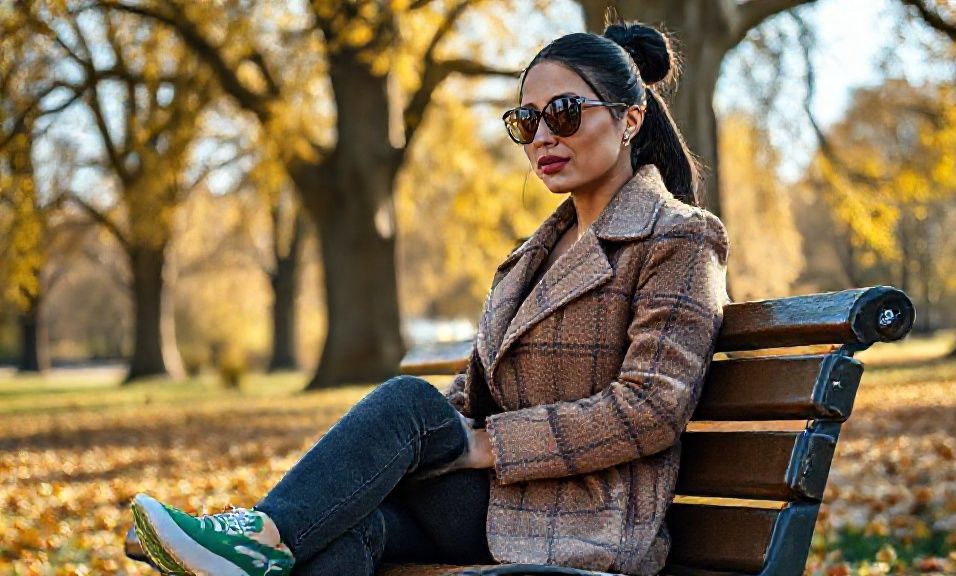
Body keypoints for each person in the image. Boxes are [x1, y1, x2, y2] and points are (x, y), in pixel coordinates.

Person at [128, 14, 729, 576]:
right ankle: (257, 542)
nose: (543, 136)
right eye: (527, 121)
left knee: (410, 405)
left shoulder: (677, 237)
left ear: (630, 119)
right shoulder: (531, 257)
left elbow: (650, 409)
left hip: (583, 521)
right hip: (493, 508)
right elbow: (473, 393)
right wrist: (423, 449)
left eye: (565, 113)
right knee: (348, 534)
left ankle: (254, 539)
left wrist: (486, 445)